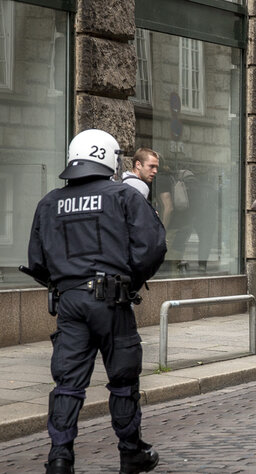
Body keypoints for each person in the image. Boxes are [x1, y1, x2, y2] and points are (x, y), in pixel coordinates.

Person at [27, 129, 166, 474]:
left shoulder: (49, 203)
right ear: (109, 158)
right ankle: (130, 453)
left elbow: (37, 261)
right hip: (112, 302)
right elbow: (152, 247)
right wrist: (130, 281)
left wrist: (66, 283)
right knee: (123, 380)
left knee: (67, 383)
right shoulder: (124, 195)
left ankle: (60, 457)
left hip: (69, 303)